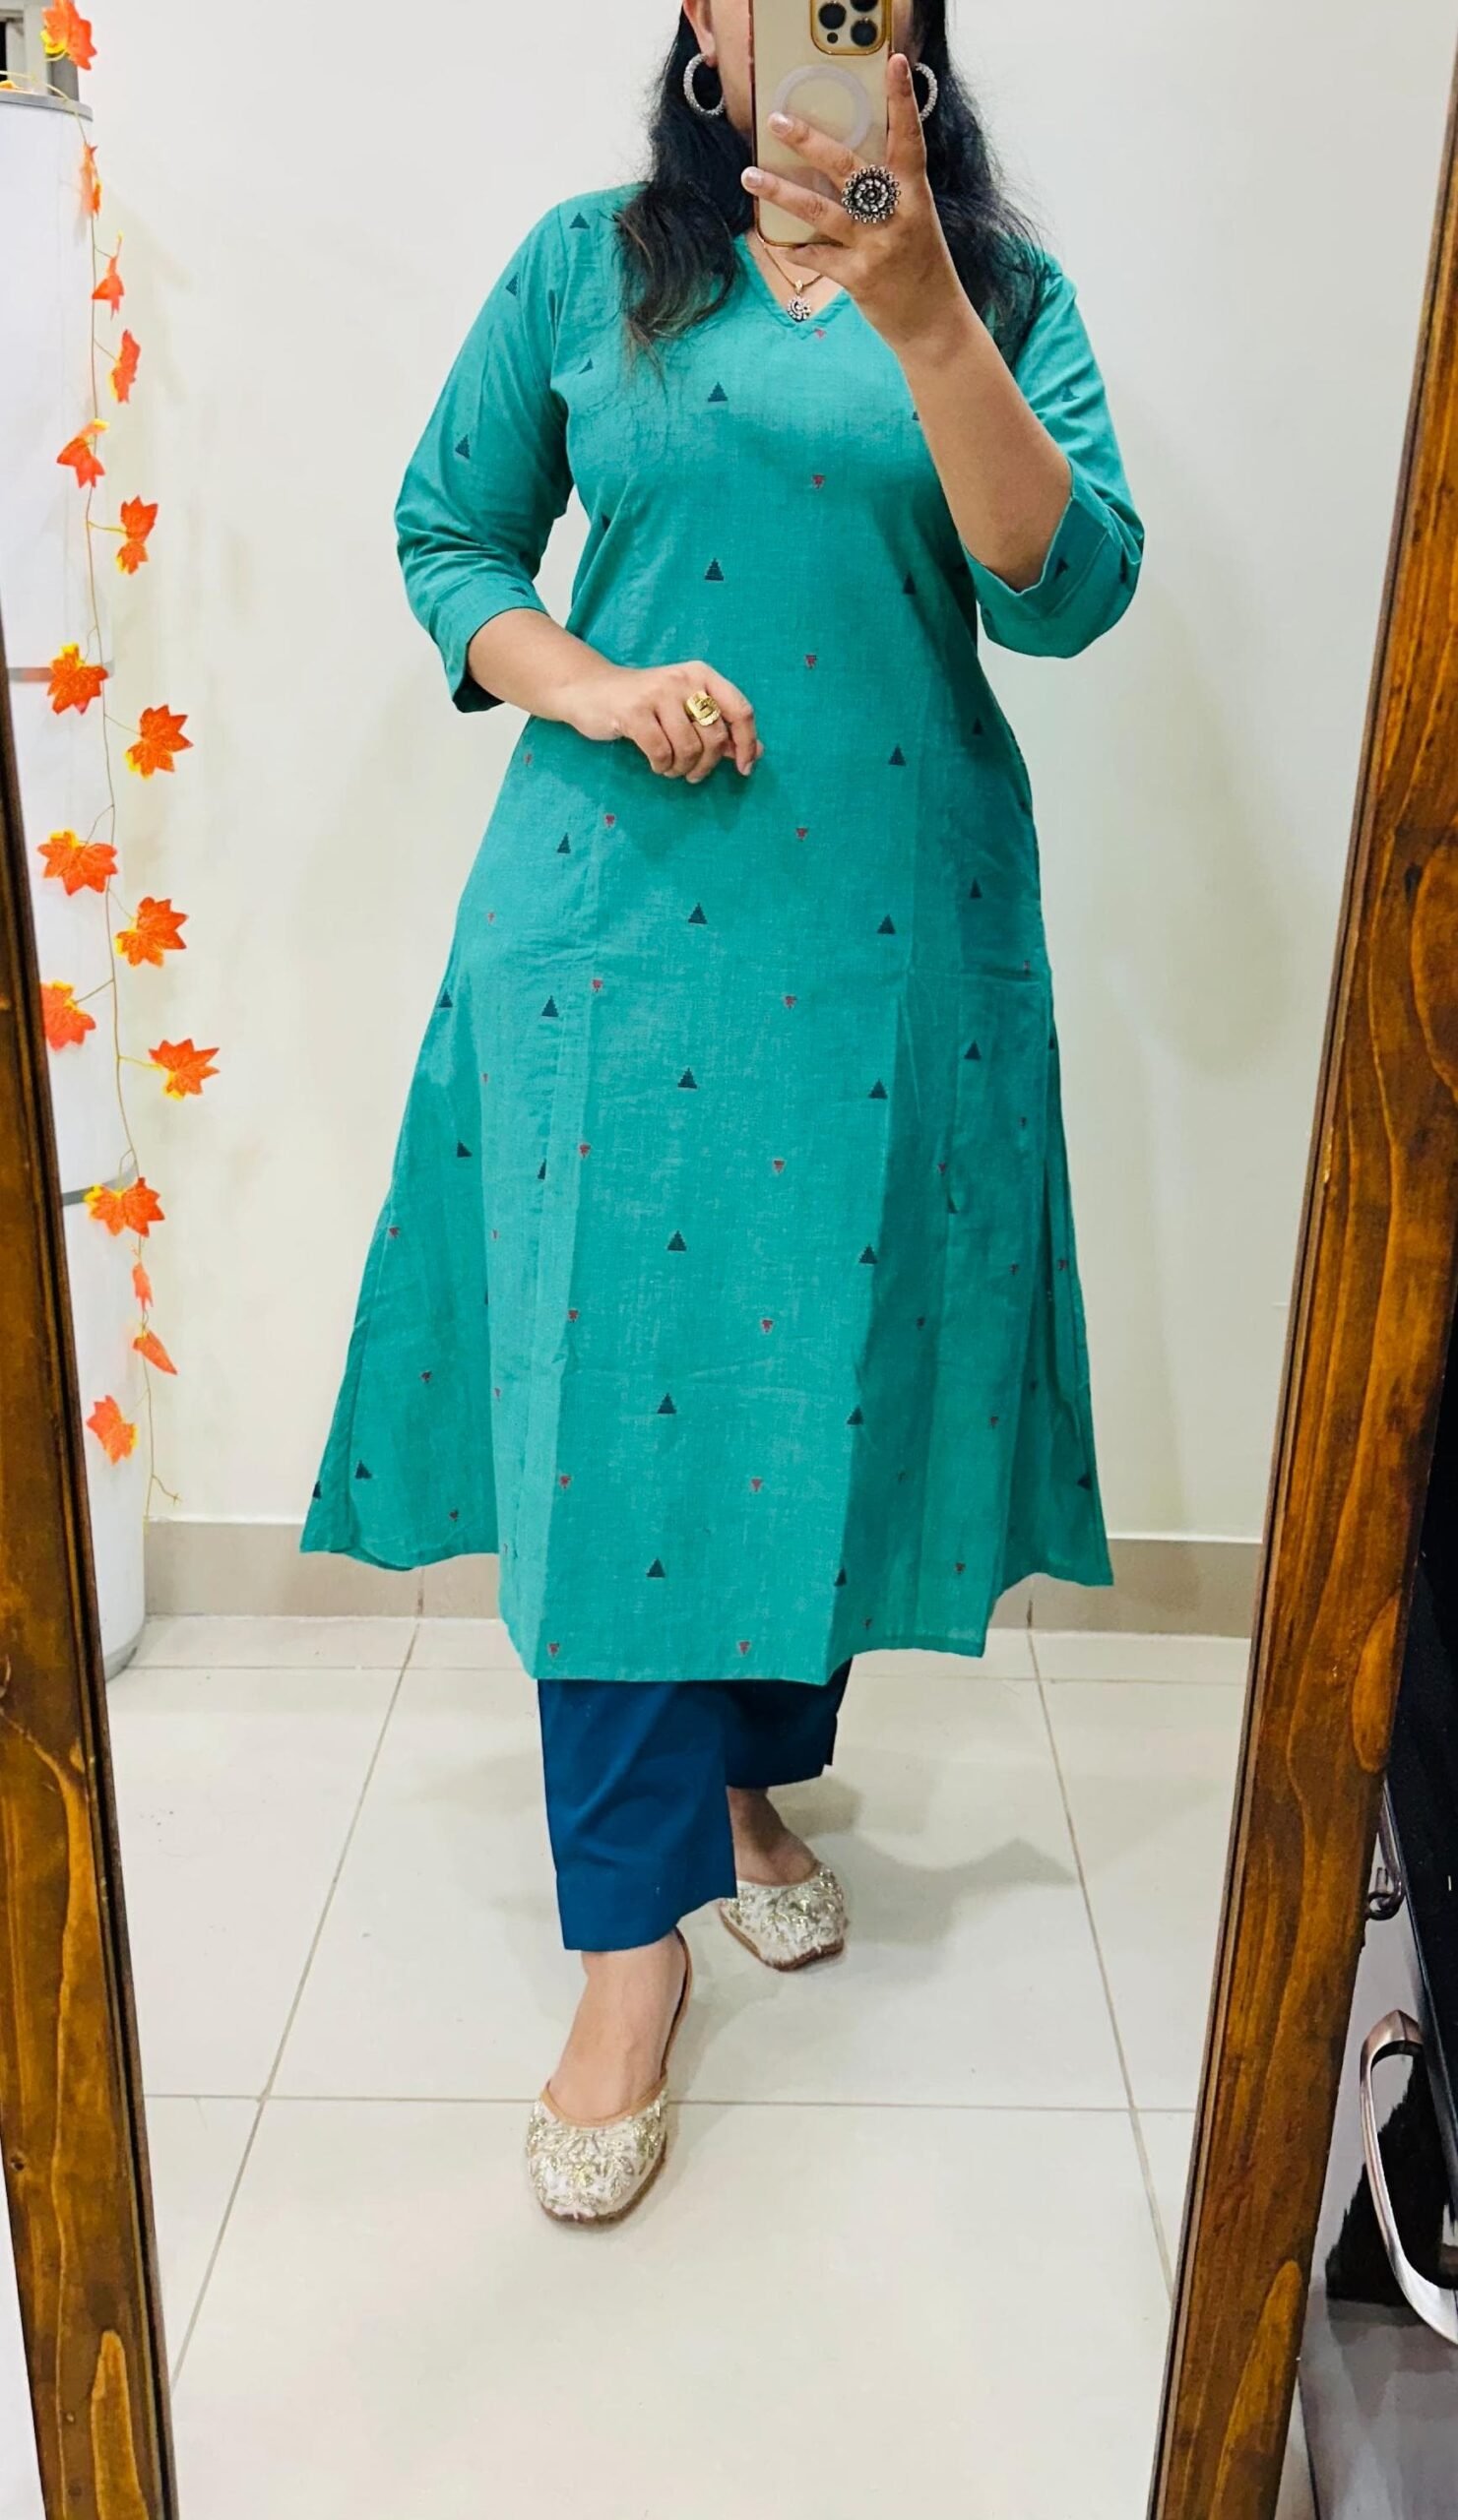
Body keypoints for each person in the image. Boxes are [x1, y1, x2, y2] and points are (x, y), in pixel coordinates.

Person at [301, 0, 1144, 2225]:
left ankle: (753, 1784)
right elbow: (451, 536)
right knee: (612, 1417)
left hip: (886, 930)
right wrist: (586, 682)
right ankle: (625, 1950)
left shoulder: (1000, 292)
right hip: (611, 933)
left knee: (823, 1387)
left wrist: (924, 307)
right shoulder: (590, 268)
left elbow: (1068, 591)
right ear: (702, 20)